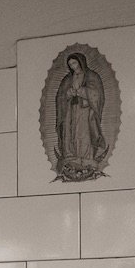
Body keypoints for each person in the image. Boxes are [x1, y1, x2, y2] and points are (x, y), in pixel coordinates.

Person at [54, 51, 107, 182]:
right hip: (70, 110)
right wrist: (68, 93)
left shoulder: (92, 76)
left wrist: (82, 91)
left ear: (80, 62)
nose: (73, 66)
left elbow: (97, 94)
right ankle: (70, 156)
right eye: (70, 64)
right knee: (69, 132)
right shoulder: (67, 79)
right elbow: (60, 96)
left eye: (74, 63)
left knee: (83, 132)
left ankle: (86, 158)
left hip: (84, 110)